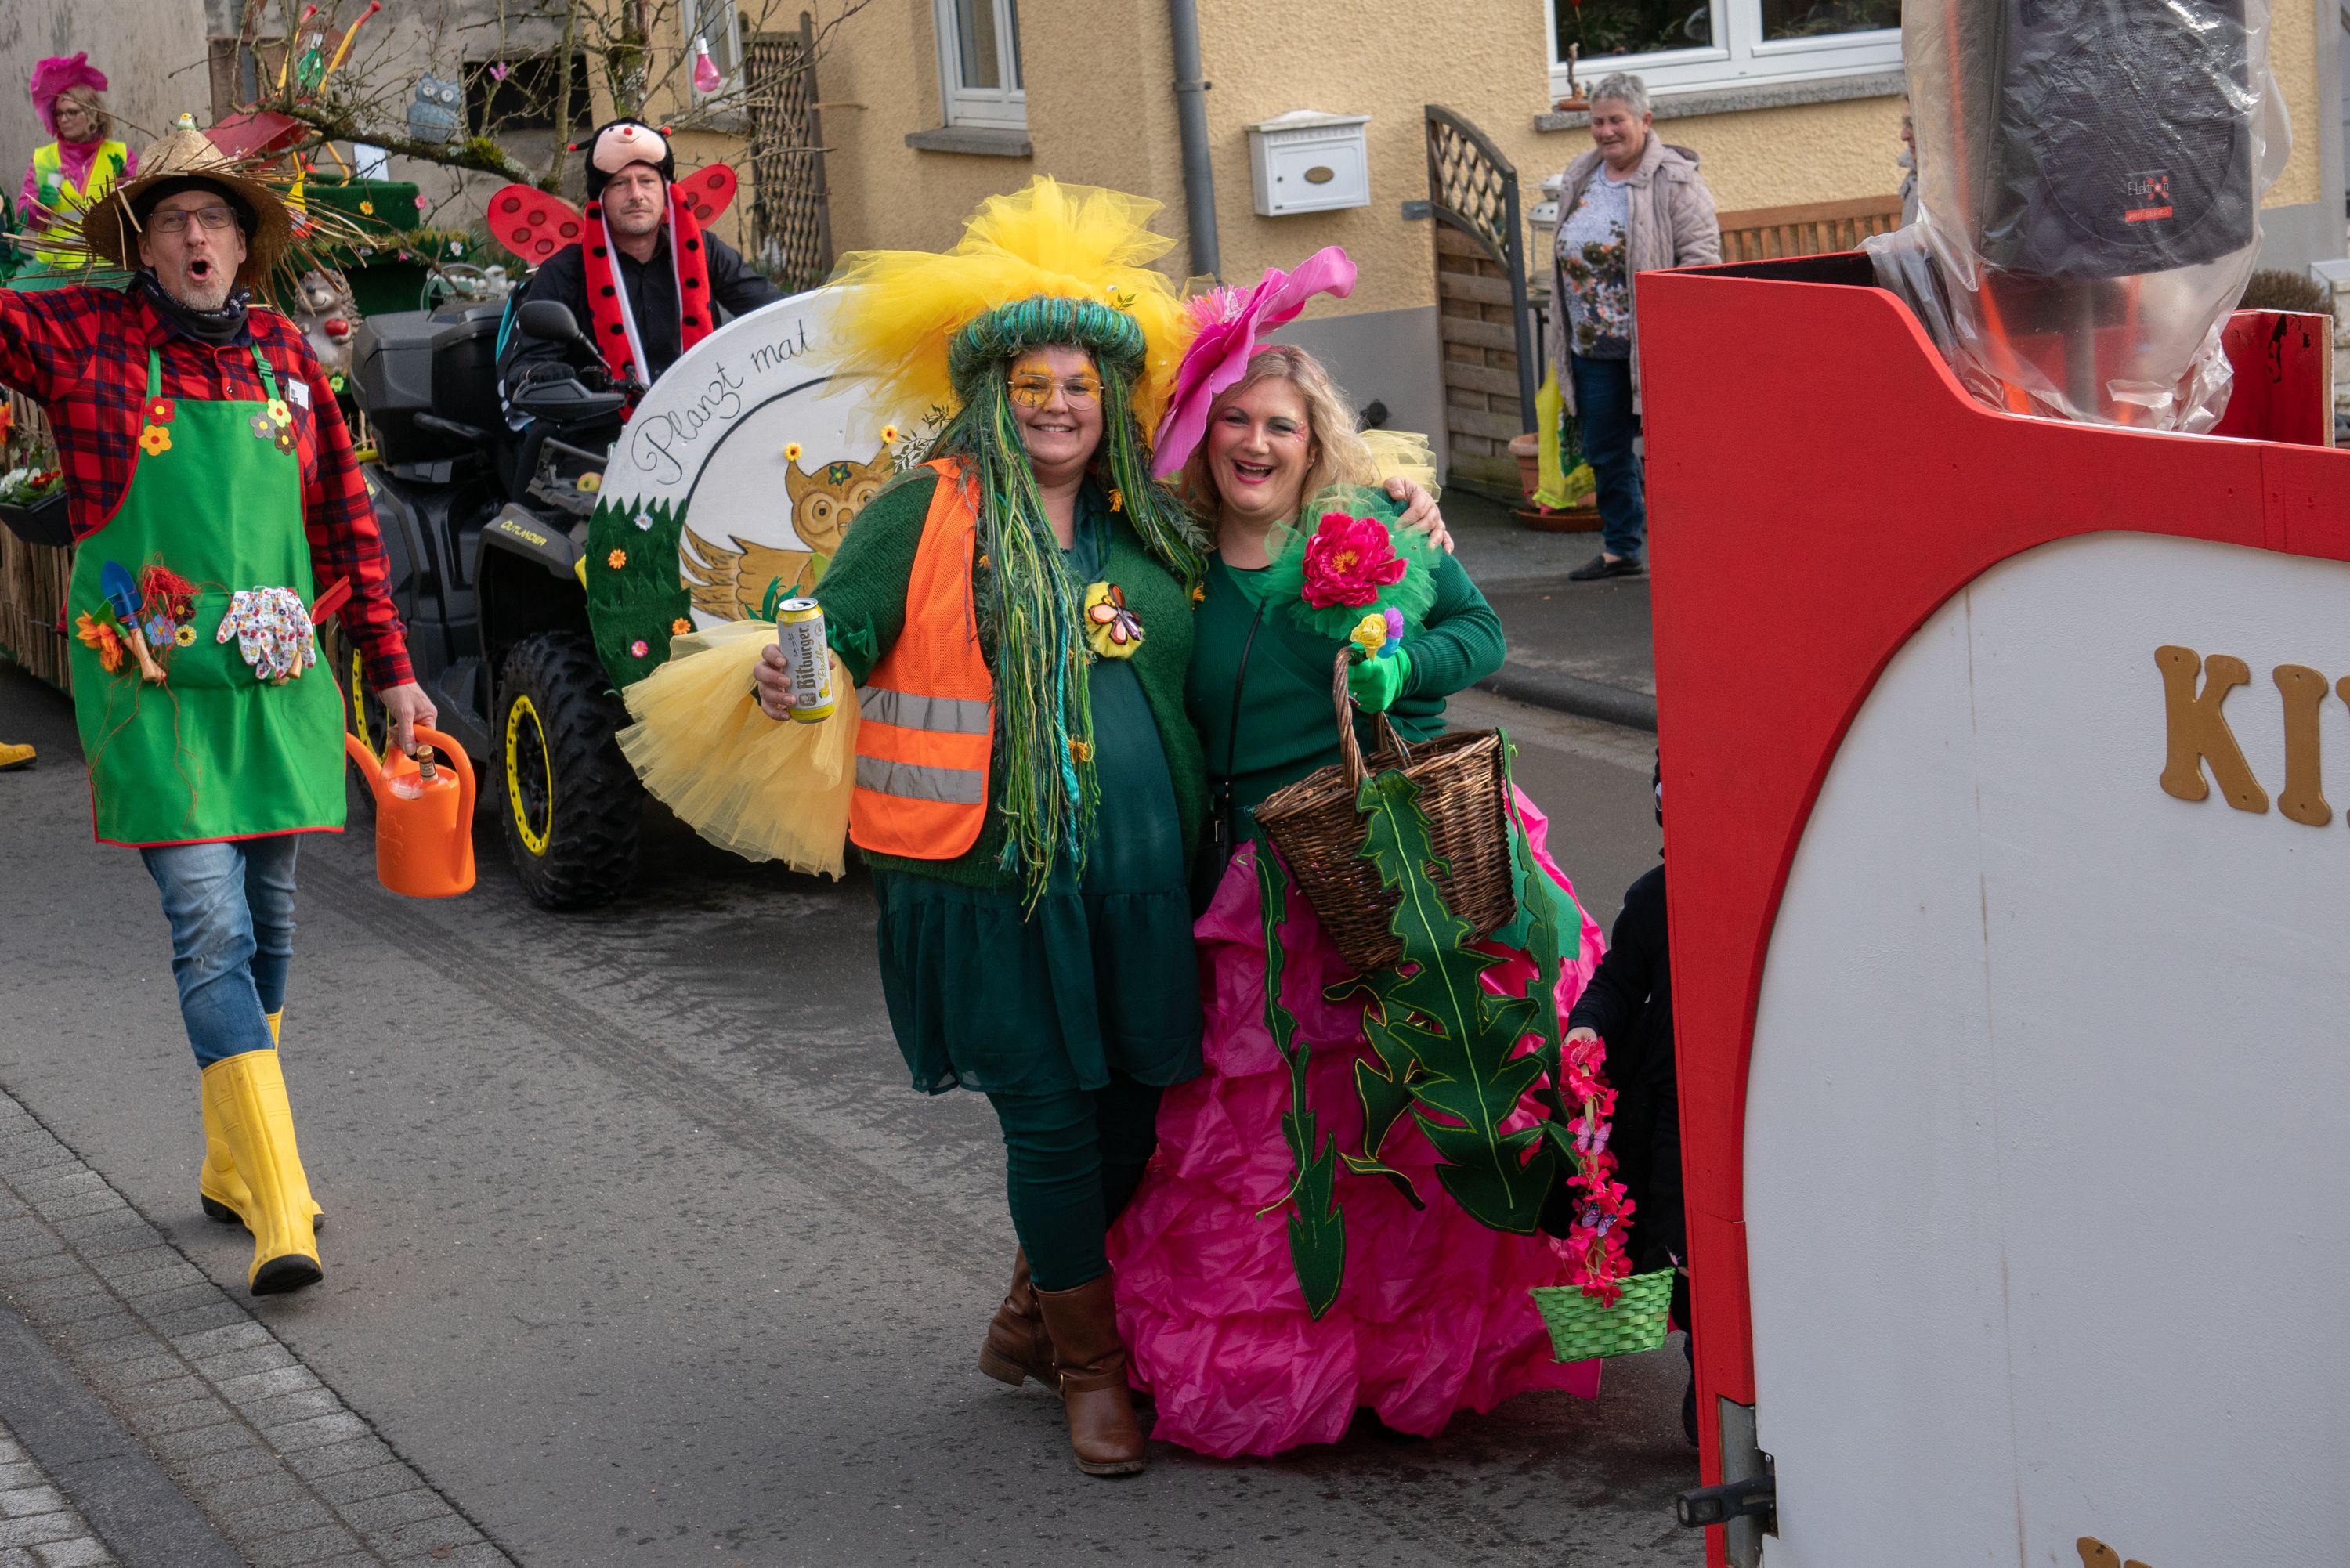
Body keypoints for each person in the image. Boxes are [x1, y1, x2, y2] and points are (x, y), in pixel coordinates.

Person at [1104, 255, 1613, 1458]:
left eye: (1279, 422)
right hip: (1253, 882)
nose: (1256, 442)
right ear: (1201, 434)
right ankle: (1313, 1353)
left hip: (1406, 856)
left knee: (1450, 1098)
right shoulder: (1168, 552)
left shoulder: (1372, 526)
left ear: (1313, 434)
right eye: (1234, 419)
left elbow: (1477, 631)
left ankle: (1442, 1344)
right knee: (1296, 1140)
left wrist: (1399, 668)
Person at [0, 128, 431, 1295]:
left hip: (275, 680)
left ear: (247, 245)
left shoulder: (292, 360)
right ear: (143, 243)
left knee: (274, 914)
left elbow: (348, 525)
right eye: (176, 218)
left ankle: (234, 1160)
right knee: (211, 920)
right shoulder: (84, 337)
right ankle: (283, 1197)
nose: (198, 235)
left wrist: (391, 668)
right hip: (150, 688)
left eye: (217, 219)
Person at [1561, 753, 1692, 1443]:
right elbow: (1616, 982)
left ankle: (1725, 1379)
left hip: (1737, 1110)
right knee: (1672, 1243)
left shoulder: (1754, 895)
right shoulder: (1654, 899)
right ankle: (1714, 1371)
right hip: (1668, 1110)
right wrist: (1587, 1022)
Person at [1546, 72, 1719, 583]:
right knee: (1605, 449)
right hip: (1592, 345)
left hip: (1656, 346)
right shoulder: (1583, 173)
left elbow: (1702, 262)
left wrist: (1682, 329)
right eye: (1597, 122)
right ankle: (1623, 549)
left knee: (1676, 452)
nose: (1605, 132)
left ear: (1645, 120)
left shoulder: (1675, 179)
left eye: (1616, 120)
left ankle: (1693, 549)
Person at [498, 119, 781, 396]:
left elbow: (774, 310)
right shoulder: (564, 270)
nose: (636, 195)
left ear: (667, 191)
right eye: (620, 184)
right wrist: (541, 374)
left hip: (703, 418)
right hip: (602, 427)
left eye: (647, 181)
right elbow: (526, 368)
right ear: (601, 197)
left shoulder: (704, 250)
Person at [16, 54, 134, 270]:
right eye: (59, 113)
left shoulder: (120, 155)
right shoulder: (42, 158)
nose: (63, 119)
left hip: (109, 268)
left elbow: (140, 208)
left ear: (92, 113)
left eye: (71, 112)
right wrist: (40, 206)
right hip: (55, 271)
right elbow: (24, 218)